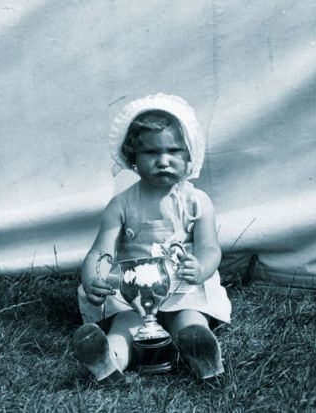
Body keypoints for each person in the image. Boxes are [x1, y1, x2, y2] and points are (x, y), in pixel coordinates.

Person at [73, 93, 231, 382]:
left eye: (174, 151)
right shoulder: (121, 204)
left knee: (189, 318)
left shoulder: (197, 201)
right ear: (132, 157)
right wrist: (92, 277)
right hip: (133, 292)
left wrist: (201, 267)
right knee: (126, 325)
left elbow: (210, 248)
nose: (163, 161)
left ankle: (201, 352)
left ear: (190, 155)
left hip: (184, 287)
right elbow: (101, 251)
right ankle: (109, 359)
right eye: (150, 153)